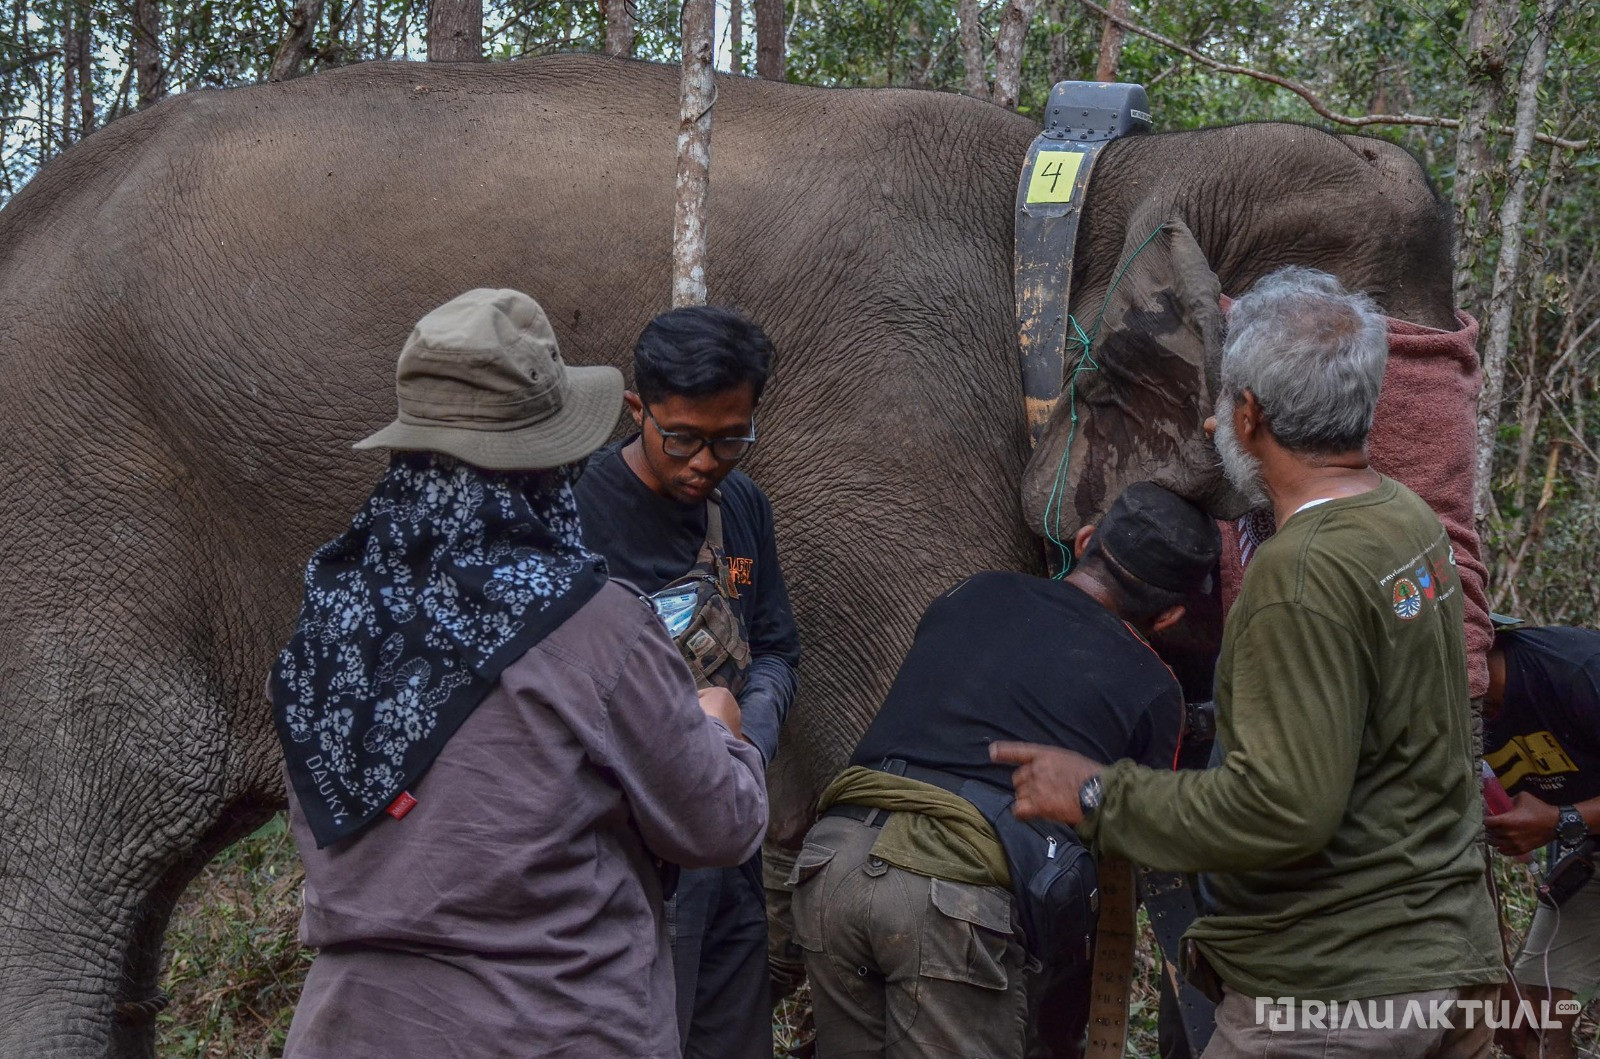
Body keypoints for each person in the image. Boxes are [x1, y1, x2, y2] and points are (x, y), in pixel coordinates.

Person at [992, 267, 1504, 1058]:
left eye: (1224, 397)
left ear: (1251, 413)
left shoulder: (1298, 576)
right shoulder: (1406, 519)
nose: (1210, 420)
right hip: (1443, 959)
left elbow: (1282, 808)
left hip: (1330, 994)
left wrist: (1096, 792)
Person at [270, 288, 768, 1059]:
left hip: (352, 1028)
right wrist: (719, 730)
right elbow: (717, 823)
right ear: (551, 465)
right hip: (552, 1024)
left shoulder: (332, 620)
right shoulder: (597, 625)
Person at [786, 481, 1220, 1059]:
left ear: (1086, 540)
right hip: (949, 893)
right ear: (1169, 615)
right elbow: (1139, 825)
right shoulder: (1155, 688)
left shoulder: (971, 592)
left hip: (832, 862)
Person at [573, 305, 801, 1059]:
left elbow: (775, 648)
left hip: (728, 838)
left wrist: (745, 743)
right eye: (682, 439)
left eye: (731, 439)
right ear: (637, 410)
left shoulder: (744, 507)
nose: (705, 462)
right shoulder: (575, 508)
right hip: (626, 850)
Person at [1482, 621, 1600, 1059]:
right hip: (1590, 851)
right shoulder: (1447, 712)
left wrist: (1560, 819)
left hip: (1577, 829)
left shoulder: (1578, 670)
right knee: (1532, 1021)